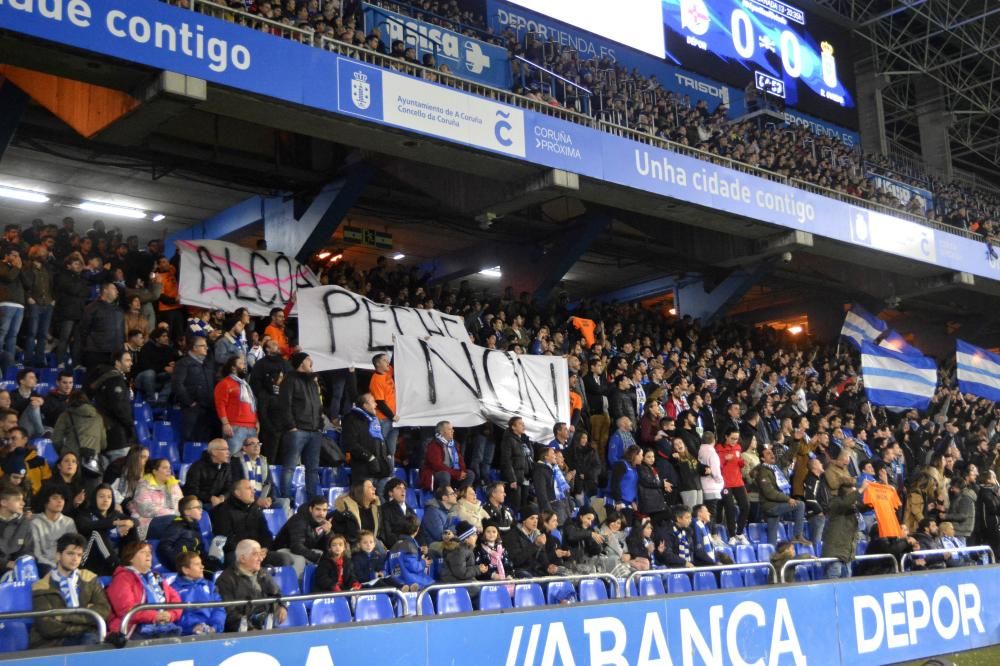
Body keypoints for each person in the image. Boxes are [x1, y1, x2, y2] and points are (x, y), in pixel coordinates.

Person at [29, 533, 111, 648]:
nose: (75, 559)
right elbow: (48, 628)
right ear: (58, 556)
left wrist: (63, 616)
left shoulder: (90, 578)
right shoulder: (41, 586)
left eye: (79, 555)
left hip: (86, 638)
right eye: (70, 553)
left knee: (93, 641)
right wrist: (86, 620)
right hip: (53, 643)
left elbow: (104, 611)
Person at [274, 352, 324, 501]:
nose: (312, 362)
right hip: (297, 431)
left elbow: (319, 405)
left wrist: (320, 425)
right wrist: (291, 426)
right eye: (309, 359)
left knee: (313, 469)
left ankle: (313, 501)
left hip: (314, 430)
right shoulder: (290, 380)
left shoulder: (312, 382)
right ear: (301, 362)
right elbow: (284, 404)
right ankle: (286, 499)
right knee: (290, 467)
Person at [106, 540, 183, 635]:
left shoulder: (157, 577)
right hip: (133, 629)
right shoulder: (122, 578)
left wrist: (170, 615)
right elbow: (126, 609)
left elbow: (176, 600)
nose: (148, 555)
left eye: (149, 552)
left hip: (163, 625)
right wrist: (155, 616)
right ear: (130, 558)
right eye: (143, 552)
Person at [211, 479, 292, 568]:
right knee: (233, 561)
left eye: (253, 489)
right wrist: (249, 551)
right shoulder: (224, 511)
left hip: (257, 551)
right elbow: (225, 540)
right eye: (248, 488)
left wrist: (264, 549)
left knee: (284, 559)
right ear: (238, 493)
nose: (253, 491)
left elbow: (266, 533)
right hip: (238, 553)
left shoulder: (255, 508)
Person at [75, 484, 136, 577]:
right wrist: (115, 523)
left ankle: (133, 563)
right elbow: (84, 525)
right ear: (94, 498)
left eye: (109, 497)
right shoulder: (86, 513)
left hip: (109, 559)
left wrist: (129, 523)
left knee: (131, 528)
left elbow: (136, 521)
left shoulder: (115, 515)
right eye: (101, 496)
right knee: (96, 532)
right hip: (89, 561)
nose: (105, 500)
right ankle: (117, 567)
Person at [754, 446, 810, 546]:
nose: (771, 454)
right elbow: (769, 493)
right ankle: (797, 536)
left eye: (771, 452)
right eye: (768, 453)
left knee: (772, 537)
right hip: (771, 506)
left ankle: (772, 556)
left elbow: (787, 457)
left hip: (774, 504)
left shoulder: (774, 468)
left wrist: (796, 441)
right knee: (800, 505)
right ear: (762, 459)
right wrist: (788, 499)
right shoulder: (763, 472)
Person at [273, 496, 332, 578]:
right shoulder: (299, 520)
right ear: (311, 509)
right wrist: (317, 557)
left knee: (326, 556)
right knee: (300, 560)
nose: (321, 513)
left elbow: (325, 547)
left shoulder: (321, 522)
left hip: (301, 550)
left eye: (324, 510)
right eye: (318, 509)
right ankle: (298, 587)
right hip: (284, 550)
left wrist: (328, 533)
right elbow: (296, 546)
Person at [91, 350, 135, 459]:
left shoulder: (106, 378)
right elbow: (119, 408)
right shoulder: (115, 381)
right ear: (117, 363)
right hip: (118, 437)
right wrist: (130, 425)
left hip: (107, 433)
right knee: (120, 472)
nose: (131, 363)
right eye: (127, 360)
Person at [172, 335, 216, 442]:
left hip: (207, 407)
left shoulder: (206, 364)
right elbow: (177, 384)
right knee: (189, 438)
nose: (206, 348)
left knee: (204, 438)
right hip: (192, 408)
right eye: (203, 346)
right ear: (194, 348)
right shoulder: (183, 363)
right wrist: (189, 402)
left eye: (206, 346)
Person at [229, 436, 289, 515]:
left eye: (258, 444)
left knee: (284, 502)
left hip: (263, 498)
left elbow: (270, 484)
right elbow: (236, 486)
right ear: (244, 448)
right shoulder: (236, 462)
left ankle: (283, 527)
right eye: (252, 444)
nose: (256, 446)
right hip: (245, 500)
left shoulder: (263, 461)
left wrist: (270, 499)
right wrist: (257, 501)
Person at [77, 282, 124, 382]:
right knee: (93, 382)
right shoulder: (92, 308)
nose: (117, 292)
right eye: (114, 289)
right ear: (105, 290)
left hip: (114, 353)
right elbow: (83, 329)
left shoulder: (118, 310)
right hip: (96, 353)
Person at [822, 481, 869, 579]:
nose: (855, 499)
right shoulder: (836, 503)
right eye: (853, 494)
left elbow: (867, 507)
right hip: (835, 553)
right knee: (834, 578)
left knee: (846, 580)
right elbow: (845, 503)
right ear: (847, 495)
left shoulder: (852, 508)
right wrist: (861, 489)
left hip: (847, 554)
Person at [172, 551, 225, 635]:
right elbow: (175, 615)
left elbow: (218, 609)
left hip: (213, 633)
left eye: (201, 563)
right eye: (197, 564)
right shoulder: (173, 590)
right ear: (185, 570)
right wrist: (194, 626)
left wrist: (215, 627)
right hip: (187, 637)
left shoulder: (210, 586)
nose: (202, 567)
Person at [214, 355, 258, 456]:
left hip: (251, 427)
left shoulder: (245, 385)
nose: (244, 366)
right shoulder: (225, 383)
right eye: (241, 364)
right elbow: (220, 405)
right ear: (233, 367)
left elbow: (253, 404)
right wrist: (225, 424)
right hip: (235, 427)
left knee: (250, 459)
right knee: (233, 457)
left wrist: (257, 421)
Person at [52, 252, 90, 368]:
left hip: (79, 312)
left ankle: (76, 363)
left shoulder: (82, 278)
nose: (78, 266)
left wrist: (79, 289)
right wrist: (78, 289)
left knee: (77, 340)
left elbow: (86, 292)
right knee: (65, 338)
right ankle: (59, 362)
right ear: (68, 265)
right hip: (67, 312)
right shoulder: (62, 276)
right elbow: (73, 289)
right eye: (75, 263)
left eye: (79, 263)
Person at [132, 458, 182, 540]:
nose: (169, 470)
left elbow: (181, 503)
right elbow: (145, 509)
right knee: (173, 521)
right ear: (155, 471)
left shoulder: (173, 485)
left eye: (169, 467)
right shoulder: (144, 485)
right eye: (165, 468)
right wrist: (173, 514)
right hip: (148, 523)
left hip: (172, 520)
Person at [31, 486, 77, 575]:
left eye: (62, 498)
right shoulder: (35, 523)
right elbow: (37, 554)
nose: (60, 501)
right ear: (45, 501)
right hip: (44, 565)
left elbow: (74, 548)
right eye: (55, 498)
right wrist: (54, 566)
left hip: (66, 564)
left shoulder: (69, 522)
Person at [156, 495, 209, 573]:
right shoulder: (176, 526)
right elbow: (164, 547)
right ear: (187, 512)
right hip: (184, 568)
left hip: (195, 566)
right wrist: (181, 564)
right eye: (197, 508)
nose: (201, 510)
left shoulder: (195, 526)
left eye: (200, 507)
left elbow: (200, 548)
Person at [51, 391, 107, 462]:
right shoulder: (98, 417)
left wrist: (63, 453)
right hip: (92, 460)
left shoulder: (65, 415)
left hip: (70, 458)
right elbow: (103, 445)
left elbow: (56, 440)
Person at [716, 426, 749, 544]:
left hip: (738, 481)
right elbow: (717, 466)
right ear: (726, 436)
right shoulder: (719, 448)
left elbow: (738, 460)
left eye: (736, 438)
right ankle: (732, 535)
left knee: (746, 505)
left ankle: (739, 532)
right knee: (730, 508)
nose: (735, 441)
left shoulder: (738, 447)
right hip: (725, 484)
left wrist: (741, 462)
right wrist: (725, 459)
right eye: (732, 438)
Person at [386, 514, 434, 591]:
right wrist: (423, 563)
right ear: (417, 529)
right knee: (435, 586)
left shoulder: (395, 545)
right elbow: (413, 567)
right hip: (412, 580)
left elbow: (390, 566)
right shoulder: (410, 545)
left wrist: (418, 550)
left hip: (398, 581)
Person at [419, 420, 472, 491]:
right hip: (436, 474)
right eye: (450, 429)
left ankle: (461, 496)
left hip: (452, 474)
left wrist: (462, 472)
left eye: (452, 429)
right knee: (444, 475)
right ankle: (445, 496)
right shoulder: (434, 445)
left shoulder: (454, 444)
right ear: (442, 432)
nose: (453, 431)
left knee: (469, 474)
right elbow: (437, 466)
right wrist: (456, 474)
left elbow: (460, 461)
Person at [332, 479, 383, 549]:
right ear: (360, 491)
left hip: (371, 547)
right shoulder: (345, 511)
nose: (374, 488)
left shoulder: (376, 509)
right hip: (353, 549)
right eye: (370, 487)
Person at [183, 438, 232, 510]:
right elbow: (191, 491)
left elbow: (229, 487)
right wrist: (210, 498)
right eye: (224, 449)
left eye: (228, 449)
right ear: (214, 452)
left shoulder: (226, 466)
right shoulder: (197, 467)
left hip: (219, 502)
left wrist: (222, 497)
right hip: (202, 503)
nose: (228, 452)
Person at [35, 452, 86, 517]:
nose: (70, 464)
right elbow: (41, 508)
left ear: (77, 466)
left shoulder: (80, 487)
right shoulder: (49, 485)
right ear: (59, 466)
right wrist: (73, 503)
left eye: (74, 461)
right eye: (66, 461)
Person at [369, 353, 400, 458]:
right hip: (383, 419)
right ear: (378, 364)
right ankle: (379, 473)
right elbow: (380, 403)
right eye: (384, 360)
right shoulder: (376, 380)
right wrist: (392, 416)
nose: (387, 362)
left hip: (393, 420)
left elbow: (394, 360)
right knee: (380, 449)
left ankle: (390, 473)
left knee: (391, 452)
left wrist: (395, 343)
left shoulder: (387, 371)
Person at [0, 248, 26, 373]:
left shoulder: (18, 268)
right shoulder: (2, 265)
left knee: (13, 335)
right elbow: (9, 278)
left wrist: (20, 269)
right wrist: (17, 267)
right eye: (14, 255)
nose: (17, 257)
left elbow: (27, 284)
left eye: (18, 255)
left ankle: (9, 363)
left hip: (19, 304)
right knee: (2, 332)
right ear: (7, 255)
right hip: (6, 303)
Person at [134, 327, 175, 406]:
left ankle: (161, 401)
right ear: (156, 338)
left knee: (175, 375)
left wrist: (173, 364)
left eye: (167, 336)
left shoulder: (168, 349)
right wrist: (164, 368)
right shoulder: (146, 348)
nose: (166, 338)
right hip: (142, 377)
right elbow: (145, 366)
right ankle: (151, 402)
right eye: (163, 336)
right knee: (150, 373)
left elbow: (171, 361)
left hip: (158, 376)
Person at [498, 417, 530, 512]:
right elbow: (506, 460)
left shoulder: (523, 439)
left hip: (524, 477)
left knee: (523, 505)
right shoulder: (508, 440)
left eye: (523, 423)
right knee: (514, 506)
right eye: (520, 423)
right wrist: (512, 479)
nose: (523, 425)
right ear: (513, 427)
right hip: (515, 478)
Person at [0, 481, 33, 572]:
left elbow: (28, 550)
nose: (23, 503)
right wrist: (5, 564)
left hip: (16, 568)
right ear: (3, 503)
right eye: (17, 500)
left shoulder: (24, 523)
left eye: (23, 500)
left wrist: (20, 563)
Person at [380, 478, 418, 549]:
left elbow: (418, 529)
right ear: (390, 493)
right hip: (395, 548)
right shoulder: (385, 509)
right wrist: (406, 541)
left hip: (412, 546)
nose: (403, 490)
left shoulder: (410, 510)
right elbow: (388, 535)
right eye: (398, 488)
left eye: (404, 488)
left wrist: (423, 545)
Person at [440, 520, 480, 587]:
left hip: (462, 581)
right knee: (481, 591)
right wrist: (478, 569)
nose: (476, 537)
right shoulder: (458, 550)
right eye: (473, 535)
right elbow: (461, 573)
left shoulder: (466, 548)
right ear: (466, 538)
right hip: (454, 583)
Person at [419, 484, 458, 552]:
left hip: (445, 542)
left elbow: (454, 528)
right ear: (444, 497)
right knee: (459, 548)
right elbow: (439, 536)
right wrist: (453, 531)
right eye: (453, 493)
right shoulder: (432, 511)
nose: (456, 495)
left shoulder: (447, 511)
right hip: (432, 546)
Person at [609, 445, 642, 524]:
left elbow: (632, 486)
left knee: (627, 530)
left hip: (628, 504)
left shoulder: (635, 468)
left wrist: (633, 501)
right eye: (641, 455)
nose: (642, 457)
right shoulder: (621, 464)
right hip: (617, 503)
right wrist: (618, 501)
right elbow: (615, 483)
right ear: (635, 455)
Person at [637, 448, 670, 525]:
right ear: (643, 458)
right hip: (650, 503)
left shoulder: (651, 468)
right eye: (648, 457)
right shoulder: (641, 468)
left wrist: (664, 486)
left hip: (656, 502)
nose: (652, 459)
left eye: (653, 456)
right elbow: (648, 481)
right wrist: (662, 483)